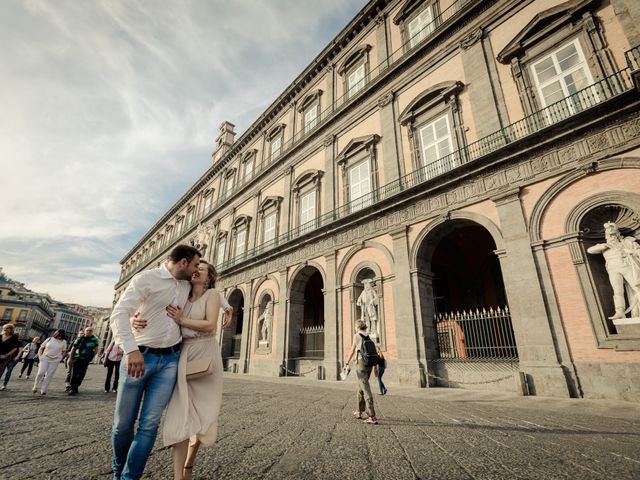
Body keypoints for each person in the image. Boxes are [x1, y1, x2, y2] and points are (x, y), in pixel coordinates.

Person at [132, 260, 232, 480]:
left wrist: (182, 319)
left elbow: (210, 325)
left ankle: (189, 463)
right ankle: (180, 476)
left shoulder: (213, 294)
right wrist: (134, 317)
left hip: (205, 354)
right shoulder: (181, 292)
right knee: (180, 414)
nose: (196, 271)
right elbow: (153, 302)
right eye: (195, 268)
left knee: (204, 413)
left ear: (209, 277)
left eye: (202, 269)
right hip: (182, 355)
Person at [109, 244, 201, 480]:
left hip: (170, 360)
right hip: (139, 357)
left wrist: (226, 307)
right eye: (194, 265)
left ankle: (131, 477)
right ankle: (119, 471)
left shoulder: (186, 284)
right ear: (182, 263)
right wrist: (130, 349)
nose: (195, 270)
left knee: (149, 425)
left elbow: (208, 291)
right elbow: (120, 313)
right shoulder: (145, 279)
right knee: (123, 425)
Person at [587, 221, 640, 318]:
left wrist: (631, 251)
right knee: (617, 291)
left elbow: (638, 251)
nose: (611, 237)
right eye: (609, 235)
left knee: (637, 288)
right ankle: (620, 312)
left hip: (626, 266)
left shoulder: (627, 242)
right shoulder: (604, 246)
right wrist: (604, 246)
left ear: (618, 234)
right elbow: (590, 250)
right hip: (613, 270)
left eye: (613, 234)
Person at [343, 320, 378, 424]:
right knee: (360, 387)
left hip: (361, 364)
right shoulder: (368, 336)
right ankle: (359, 411)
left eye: (355, 326)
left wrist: (346, 363)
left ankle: (372, 416)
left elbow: (352, 350)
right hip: (370, 364)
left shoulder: (357, 335)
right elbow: (373, 351)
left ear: (357, 327)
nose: (354, 328)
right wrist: (375, 367)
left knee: (365, 388)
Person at [67, 327, 100, 395]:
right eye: (87, 330)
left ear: (92, 332)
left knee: (81, 374)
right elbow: (73, 348)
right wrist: (70, 358)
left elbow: (96, 349)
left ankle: (76, 386)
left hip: (86, 359)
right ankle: (72, 388)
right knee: (74, 373)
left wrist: (91, 357)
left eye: (90, 331)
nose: (89, 332)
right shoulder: (79, 339)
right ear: (85, 331)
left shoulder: (94, 340)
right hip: (77, 358)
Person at [33, 330, 67, 395]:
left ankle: (43, 389)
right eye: (58, 334)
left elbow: (64, 350)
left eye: (61, 335)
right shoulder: (49, 339)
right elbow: (41, 347)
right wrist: (40, 356)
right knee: (41, 373)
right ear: (56, 333)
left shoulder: (64, 342)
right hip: (45, 358)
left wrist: (60, 357)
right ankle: (35, 386)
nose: (59, 336)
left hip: (55, 360)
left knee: (49, 375)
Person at [0, 324, 20, 390]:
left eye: (7, 328)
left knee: (6, 371)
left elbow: (15, 348)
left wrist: (6, 355)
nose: (5, 329)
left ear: (11, 330)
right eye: (4, 328)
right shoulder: (0, 336)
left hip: (7, 357)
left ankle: (4, 384)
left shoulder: (14, 338)